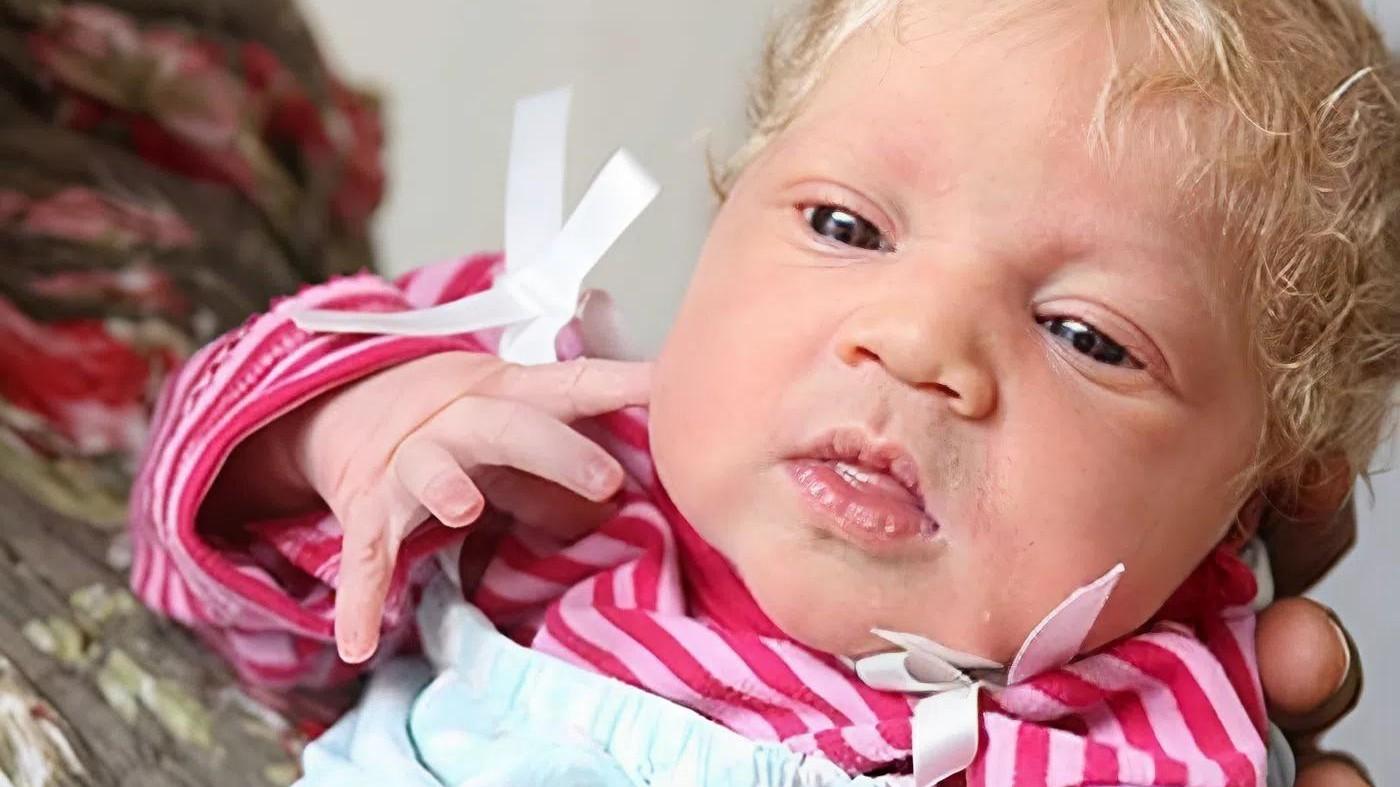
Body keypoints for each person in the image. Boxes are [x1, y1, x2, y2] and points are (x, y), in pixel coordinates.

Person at [129, 0, 1393, 783]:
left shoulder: (1142, 744)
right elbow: (212, 592)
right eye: (845, 226)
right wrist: (334, 438)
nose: (915, 344)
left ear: (1257, 493)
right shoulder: (547, 459)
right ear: (727, 204)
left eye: (1085, 335)